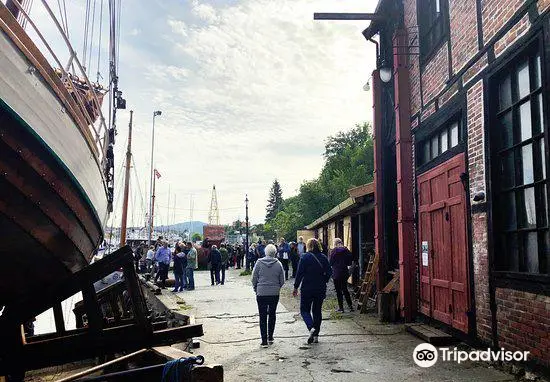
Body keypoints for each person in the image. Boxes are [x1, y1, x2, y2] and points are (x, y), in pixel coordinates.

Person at [293, 238, 332, 344]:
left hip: (307, 288)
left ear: (308, 246)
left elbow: (299, 273)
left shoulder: (305, 257)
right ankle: (316, 336)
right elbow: (329, 272)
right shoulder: (323, 257)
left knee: (304, 310)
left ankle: (311, 328)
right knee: (317, 311)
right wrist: (324, 280)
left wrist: (296, 287)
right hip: (320, 288)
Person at [252, 244, 285, 348]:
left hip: (261, 292)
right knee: (272, 314)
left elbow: (254, 278)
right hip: (274, 293)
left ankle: (264, 341)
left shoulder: (259, 263)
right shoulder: (278, 264)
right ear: (275, 252)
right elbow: (282, 280)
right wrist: (277, 287)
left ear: (265, 252)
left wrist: (256, 288)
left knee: (262, 316)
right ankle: (270, 337)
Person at [330, 238, 354, 313]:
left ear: (335, 243)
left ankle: (341, 308)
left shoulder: (333, 251)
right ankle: (350, 307)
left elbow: (330, 262)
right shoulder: (346, 250)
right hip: (344, 272)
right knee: (345, 289)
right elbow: (350, 262)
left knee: (338, 291)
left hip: (336, 273)